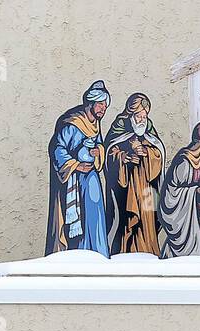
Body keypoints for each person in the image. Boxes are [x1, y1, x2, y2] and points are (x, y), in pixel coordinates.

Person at [46, 80, 111, 255]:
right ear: (90, 103)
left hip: (91, 179)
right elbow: (57, 148)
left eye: (105, 106)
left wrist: (99, 151)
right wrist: (75, 165)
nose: (103, 109)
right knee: (77, 221)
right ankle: (79, 255)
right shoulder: (72, 123)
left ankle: (98, 254)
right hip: (73, 181)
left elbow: (99, 145)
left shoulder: (95, 124)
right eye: (100, 105)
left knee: (95, 217)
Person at [104, 92, 165, 255]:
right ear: (130, 114)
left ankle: (149, 250)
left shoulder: (149, 130)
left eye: (144, 116)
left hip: (146, 188)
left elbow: (158, 155)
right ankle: (125, 251)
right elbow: (110, 154)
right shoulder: (119, 127)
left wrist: (147, 152)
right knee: (128, 222)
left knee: (147, 221)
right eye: (138, 116)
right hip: (127, 189)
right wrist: (125, 157)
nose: (142, 120)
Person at [159, 121, 200, 258]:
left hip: (195, 206)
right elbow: (172, 193)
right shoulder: (184, 161)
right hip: (184, 210)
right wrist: (195, 191)